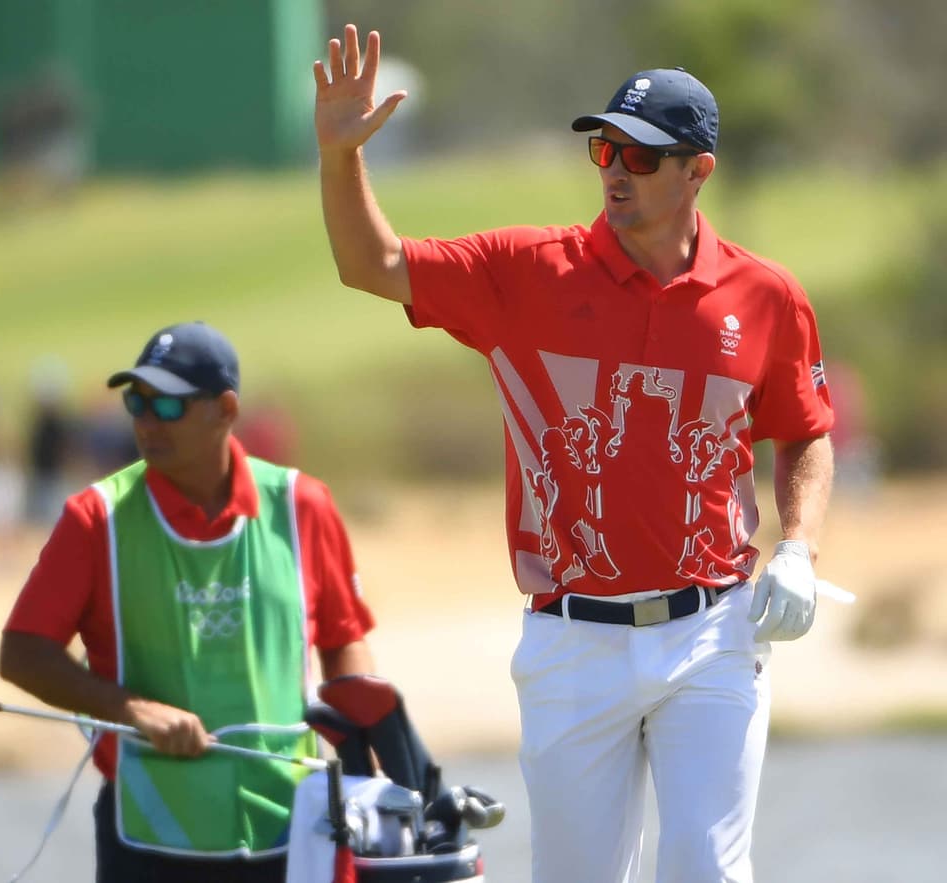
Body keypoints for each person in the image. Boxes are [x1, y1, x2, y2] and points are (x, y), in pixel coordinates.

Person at [314, 25, 834, 883]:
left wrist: (801, 548)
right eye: (604, 149)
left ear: (697, 171)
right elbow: (369, 263)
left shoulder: (766, 295)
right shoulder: (524, 272)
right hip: (569, 639)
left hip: (712, 630)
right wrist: (341, 158)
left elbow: (805, 429)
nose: (616, 169)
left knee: (705, 868)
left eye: (640, 154)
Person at [0, 321, 376, 882]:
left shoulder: (304, 505)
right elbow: (23, 653)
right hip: (150, 842)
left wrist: (366, 782)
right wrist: (132, 710)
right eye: (136, 403)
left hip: (293, 834)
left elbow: (345, 643)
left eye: (168, 407)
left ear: (225, 409)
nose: (146, 423)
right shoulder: (94, 518)